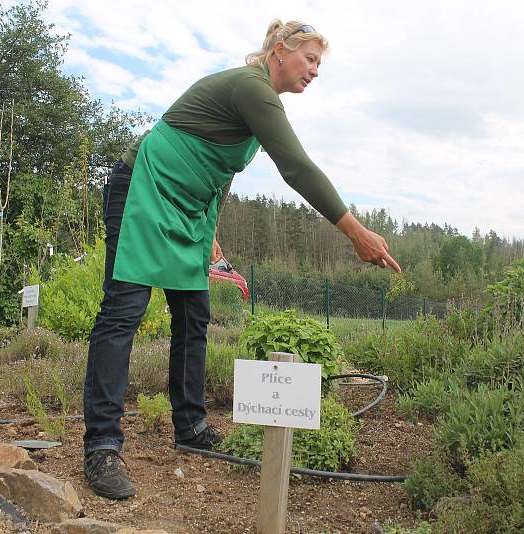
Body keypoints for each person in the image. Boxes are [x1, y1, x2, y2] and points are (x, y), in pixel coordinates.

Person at [82, 19, 402, 500]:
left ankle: (190, 427)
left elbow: (217, 174)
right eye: (309, 58)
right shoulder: (252, 88)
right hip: (141, 191)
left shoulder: (256, 103)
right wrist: (354, 232)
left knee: (193, 314)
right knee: (123, 313)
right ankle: (102, 446)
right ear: (278, 50)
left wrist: (209, 235)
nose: (315, 70)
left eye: (319, 63)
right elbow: (295, 166)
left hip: (188, 210)